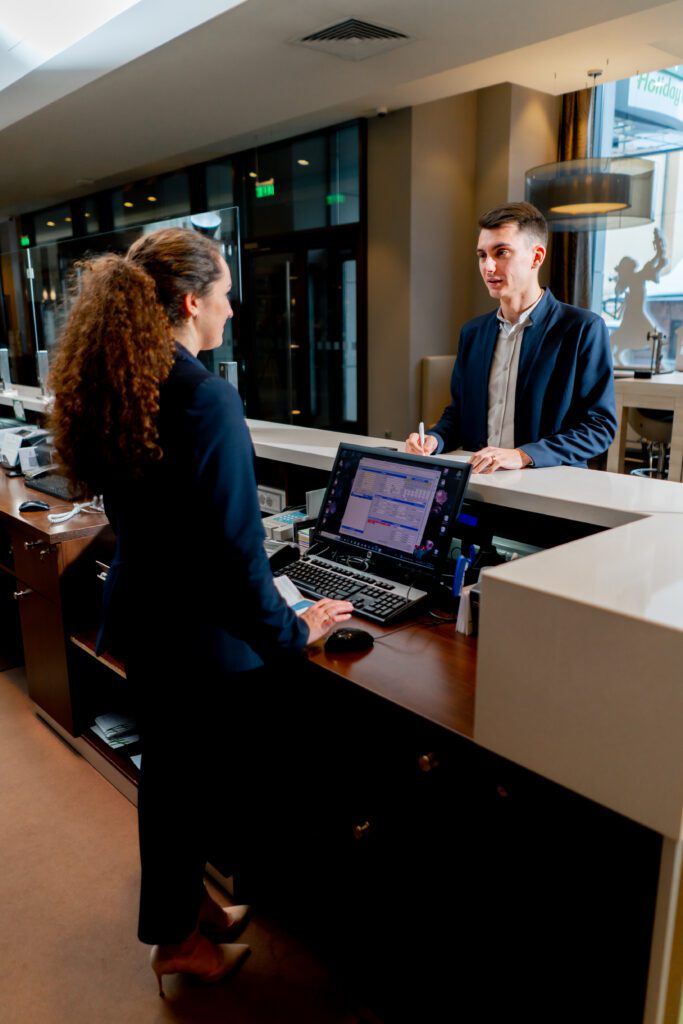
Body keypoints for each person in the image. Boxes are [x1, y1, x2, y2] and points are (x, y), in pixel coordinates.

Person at [48, 228, 352, 996]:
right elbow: (234, 554)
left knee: (173, 786)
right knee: (187, 796)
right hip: (197, 642)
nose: (231, 309)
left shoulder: (127, 380)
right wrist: (294, 630)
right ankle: (176, 942)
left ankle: (189, 915)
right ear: (190, 302)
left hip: (148, 623)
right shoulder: (204, 396)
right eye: (224, 294)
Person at [406, 202, 617, 472]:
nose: (488, 266)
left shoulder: (583, 328)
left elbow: (599, 427)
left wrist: (523, 455)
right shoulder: (472, 333)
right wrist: (434, 439)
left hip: (550, 488)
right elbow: (459, 415)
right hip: (480, 485)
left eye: (501, 252)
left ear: (536, 257)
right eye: (482, 255)